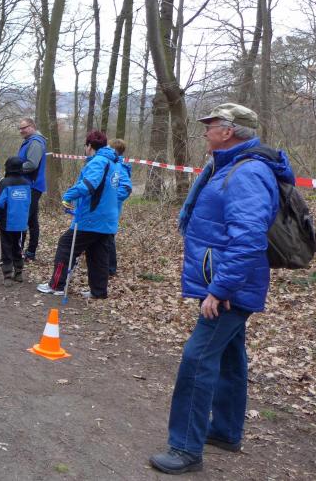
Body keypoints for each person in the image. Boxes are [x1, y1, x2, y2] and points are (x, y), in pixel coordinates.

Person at [148, 104, 293, 475]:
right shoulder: (227, 165)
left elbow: (248, 238)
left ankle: (185, 448)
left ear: (228, 131)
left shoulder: (248, 173)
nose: (205, 130)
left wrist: (221, 288)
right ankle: (226, 431)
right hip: (227, 282)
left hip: (229, 288)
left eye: (210, 125)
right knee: (229, 357)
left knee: (197, 359)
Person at [36, 130, 126, 299]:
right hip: (107, 219)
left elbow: (89, 185)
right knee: (97, 254)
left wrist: (68, 195)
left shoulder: (98, 161)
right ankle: (98, 292)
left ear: (89, 146)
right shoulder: (114, 163)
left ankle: (56, 285)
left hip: (92, 218)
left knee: (65, 245)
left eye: (86, 146)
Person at [0, 156, 31, 286]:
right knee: (18, 247)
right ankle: (18, 272)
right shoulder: (27, 183)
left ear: (8, 168)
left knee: (6, 248)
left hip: (7, 223)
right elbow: (28, 204)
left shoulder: (5, 183)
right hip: (21, 224)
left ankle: (7, 275)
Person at [17, 117, 47, 262]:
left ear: (32, 126)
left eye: (24, 128)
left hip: (32, 186)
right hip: (30, 185)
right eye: (20, 128)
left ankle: (18, 252)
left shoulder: (35, 142)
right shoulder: (30, 141)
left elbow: (32, 164)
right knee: (32, 220)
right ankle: (30, 252)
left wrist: (14, 169)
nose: (21, 131)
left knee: (23, 219)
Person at [107, 138, 132, 276]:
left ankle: (111, 268)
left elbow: (126, 188)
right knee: (104, 237)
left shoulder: (119, 166)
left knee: (108, 237)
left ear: (113, 150)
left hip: (111, 209)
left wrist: (110, 200)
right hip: (110, 208)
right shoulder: (114, 163)